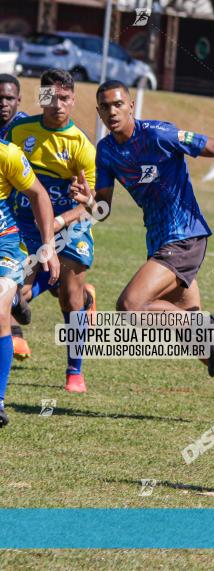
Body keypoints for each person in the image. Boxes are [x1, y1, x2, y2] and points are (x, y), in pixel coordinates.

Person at [74, 79, 214, 425]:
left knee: (130, 306)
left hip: (184, 236)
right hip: (160, 242)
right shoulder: (105, 150)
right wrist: (89, 202)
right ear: (98, 111)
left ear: (130, 107)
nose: (111, 111)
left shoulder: (158, 134)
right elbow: (105, 209)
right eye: (104, 106)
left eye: (117, 104)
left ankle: (207, 327)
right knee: (195, 339)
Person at [7, 69, 97, 392]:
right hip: (26, 223)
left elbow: (95, 206)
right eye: (51, 96)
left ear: (73, 100)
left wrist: (74, 209)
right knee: (18, 292)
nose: (57, 104)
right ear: (41, 97)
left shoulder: (82, 146)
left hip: (69, 227)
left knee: (70, 298)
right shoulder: (19, 130)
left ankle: (75, 371)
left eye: (64, 98)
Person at [0, 128, 60, 426]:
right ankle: (17, 301)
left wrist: (48, 244)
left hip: (6, 244)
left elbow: (38, 194)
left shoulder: (8, 153)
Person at [0, 73, 33, 360]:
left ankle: (86, 298)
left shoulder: (26, 128)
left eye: (8, 98)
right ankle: (15, 311)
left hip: (26, 217)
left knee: (65, 289)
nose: (3, 104)